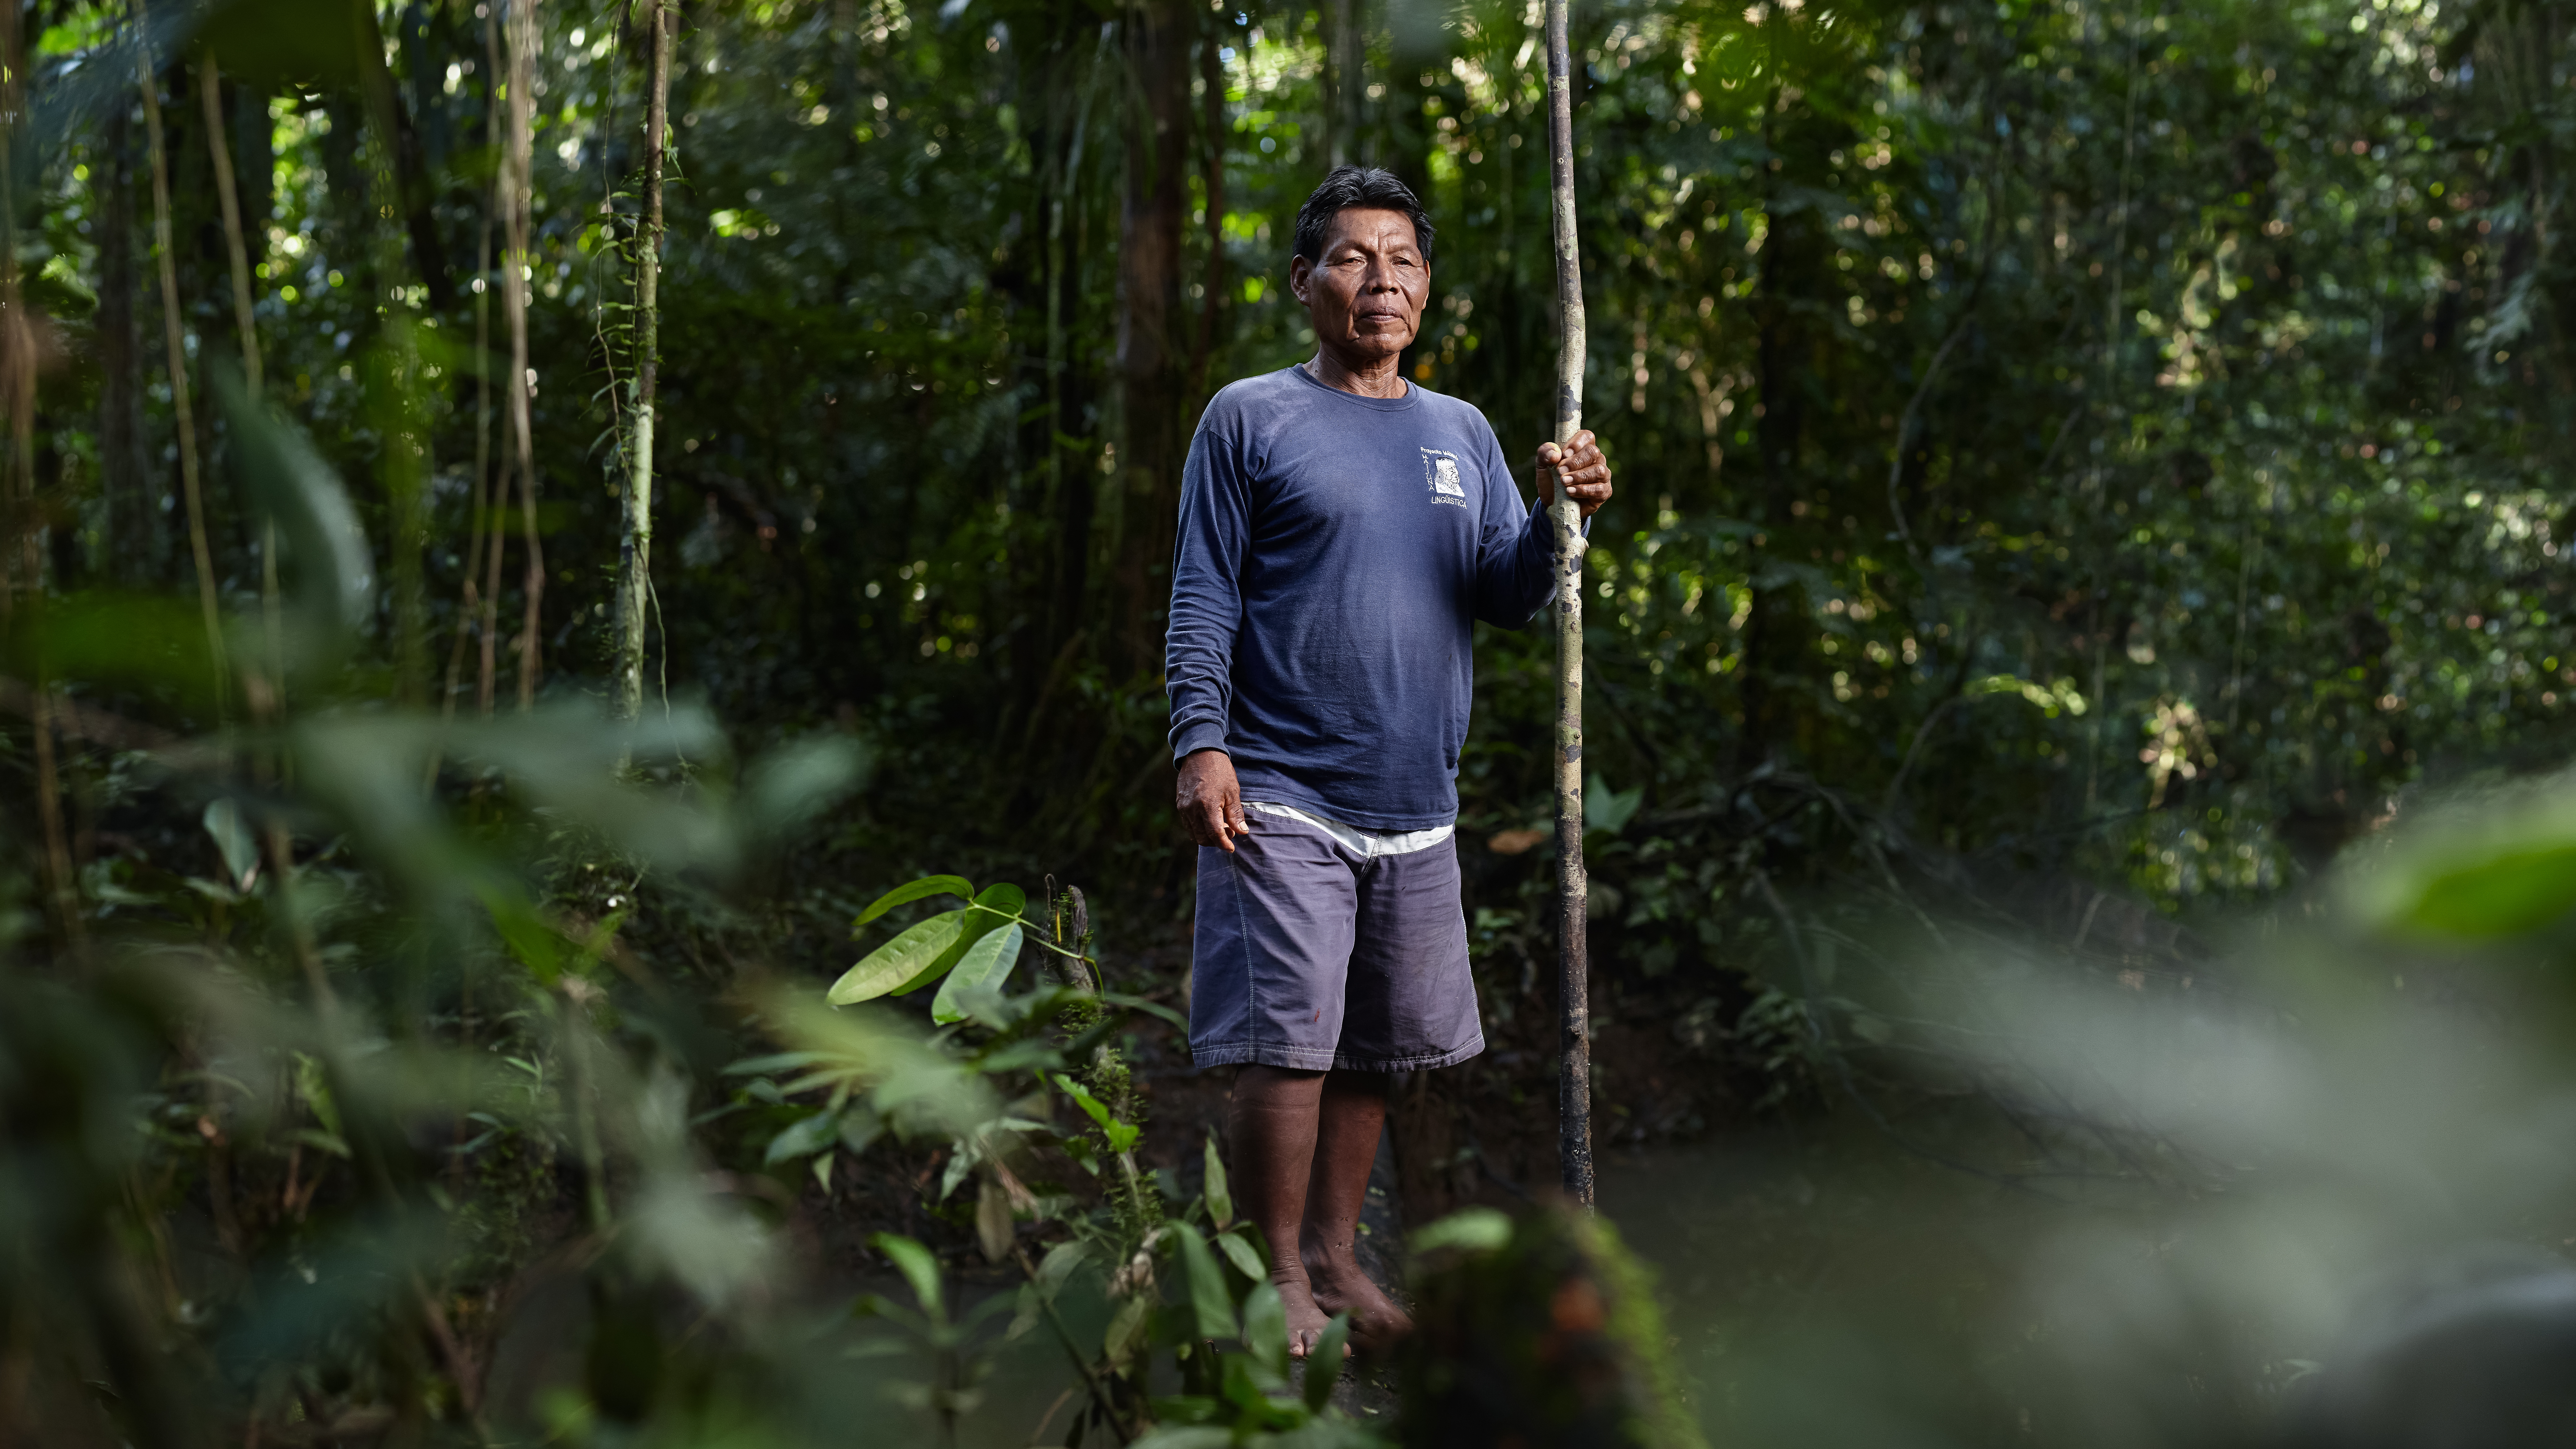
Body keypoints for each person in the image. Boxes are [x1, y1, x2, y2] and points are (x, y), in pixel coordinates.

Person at [1164, 165, 1613, 1358]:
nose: (1382, 279)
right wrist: (1201, 744)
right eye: (1354, 257)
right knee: (1291, 1043)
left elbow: (1511, 591)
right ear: (1305, 279)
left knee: (1376, 1048)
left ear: (1428, 288)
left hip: (1416, 804)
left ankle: (1335, 1256)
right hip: (1281, 785)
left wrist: (1570, 513)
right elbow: (1204, 592)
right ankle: (1275, 1278)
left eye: (1404, 259)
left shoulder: (1459, 430)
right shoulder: (1250, 417)